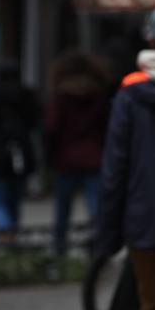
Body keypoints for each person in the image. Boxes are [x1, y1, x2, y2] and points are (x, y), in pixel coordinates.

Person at [98, 6, 155, 310]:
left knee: (152, 304)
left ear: (150, 41)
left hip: (146, 217)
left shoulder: (131, 91)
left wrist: (108, 228)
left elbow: (116, 163)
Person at [44, 50, 111, 261]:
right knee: (96, 208)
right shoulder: (99, 96)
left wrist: (49, 157)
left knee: (63, 210)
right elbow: (108, 128)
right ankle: (99, 247)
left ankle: (59, 248)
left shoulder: (60, 98)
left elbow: (51, 129)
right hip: (94, 157)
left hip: (66, 159)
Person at [0, 60, 40, 240]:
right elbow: (35, 122)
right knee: (15, 198)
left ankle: (6, 231)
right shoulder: (27, 95)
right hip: (22, 153)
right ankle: (14, 231)